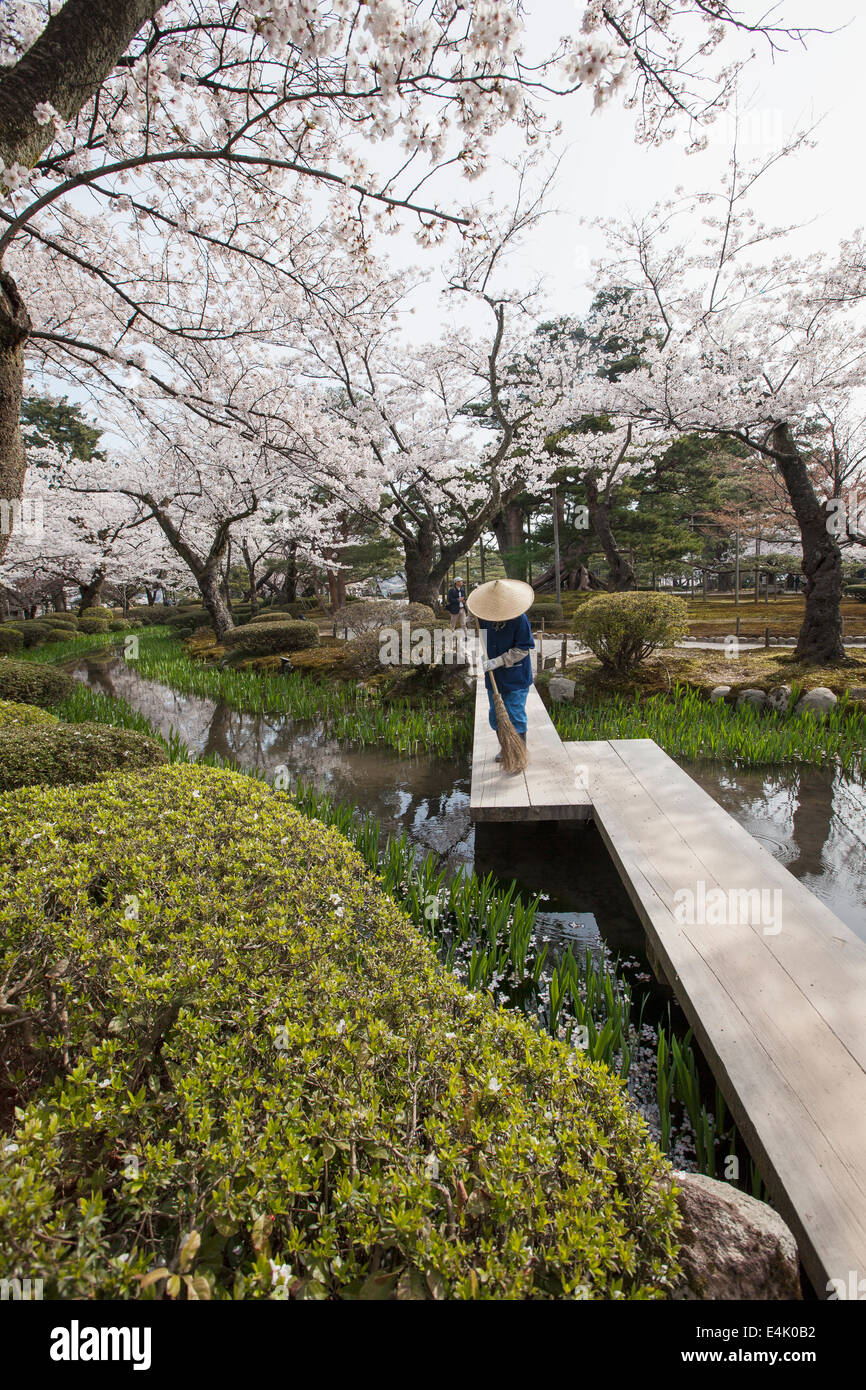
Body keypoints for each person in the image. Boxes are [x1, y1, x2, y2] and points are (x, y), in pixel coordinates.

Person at [466, 578, 535, 762]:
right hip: (494, 677)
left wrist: (500, 661)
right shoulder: (485, 616)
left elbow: (523, 648)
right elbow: (473, 628)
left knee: (515, 714)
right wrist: (471, 613)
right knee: (496, 715)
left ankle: (518, 752)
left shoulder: (519, 619)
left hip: (515, 676)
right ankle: (506, 748)